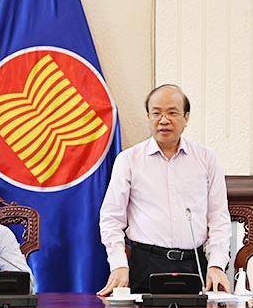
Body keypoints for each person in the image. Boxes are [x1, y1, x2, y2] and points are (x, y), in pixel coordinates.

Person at [97, 84, 232, 296]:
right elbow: (111, 218)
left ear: (186, 118)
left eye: (172, 113)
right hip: (145, 263)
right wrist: (118, 264)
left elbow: (219, 218)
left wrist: (216, 264)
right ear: (148, 117)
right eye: (156, 113)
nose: (164, 120)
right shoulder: (129, 160)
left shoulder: (207, 159)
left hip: (194, 263)